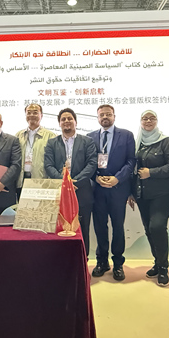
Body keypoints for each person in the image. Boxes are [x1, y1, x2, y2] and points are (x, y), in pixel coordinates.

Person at [127, 110, 169, 286]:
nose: (148, 121)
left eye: (152, 118)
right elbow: (132, 170)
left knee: (157, 227)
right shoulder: (137, 143)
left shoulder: (165, 141)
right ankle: (157, 263)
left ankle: (164, 267)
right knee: (149, 229)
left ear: (156, 121)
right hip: (142, 195)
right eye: (145, 118)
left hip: (162, 194)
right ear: (140, 121)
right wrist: (131, 192)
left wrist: (152, 172)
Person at [88, 105, 136, 281]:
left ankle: (118, 263)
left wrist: (118, 178)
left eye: (108, 114)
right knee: (100, 226)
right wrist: (96, 177)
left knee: (118, 227)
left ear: (114, 116)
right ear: (98, 118)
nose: (105, 117)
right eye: (102, 115)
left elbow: (131, 161)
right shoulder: (90, 137)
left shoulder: (127, 135)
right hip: (98, 189)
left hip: (118, 188)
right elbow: (87, 162)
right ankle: (102, 261)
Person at [45, 108, 98, 258]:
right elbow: (48, 165)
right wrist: (65, 184)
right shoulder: (52, 143)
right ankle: (62, 262)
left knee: (83, 229)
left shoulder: (87, 141)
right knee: (60, 229)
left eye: (70, 118)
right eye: (63, 119)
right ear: (59, 123)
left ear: (76, 122)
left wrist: (75, 182)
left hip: (82, 191)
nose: (66, 121)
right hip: (60, 193)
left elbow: (92, 164)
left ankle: (83, 261)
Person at [15, 103, 56, 198]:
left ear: (41, 115)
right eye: (29, 113)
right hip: (21, 179)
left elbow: (54, 161)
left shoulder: (50, 136)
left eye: (35, 112)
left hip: (41, 180)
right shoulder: (19, 135)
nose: (32, 115)